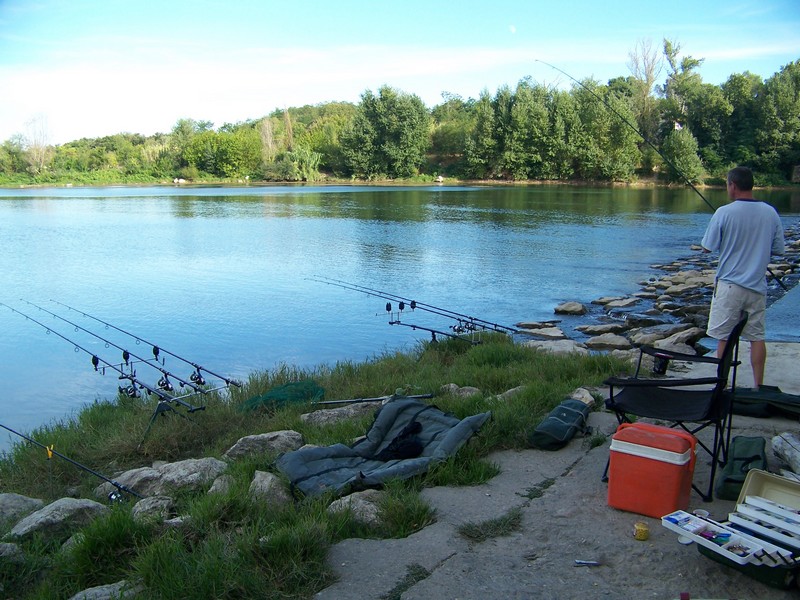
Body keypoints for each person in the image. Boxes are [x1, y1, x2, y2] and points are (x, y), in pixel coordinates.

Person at [701, 166, 785, 389]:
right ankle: (758, 386)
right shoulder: (770, 212)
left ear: (733, 185)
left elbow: (708, 248)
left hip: (729, 286)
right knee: (757, 337)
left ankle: (722, 385)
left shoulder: (723, 212)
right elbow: (778, 249)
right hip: (757, 286)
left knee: (725, 337)